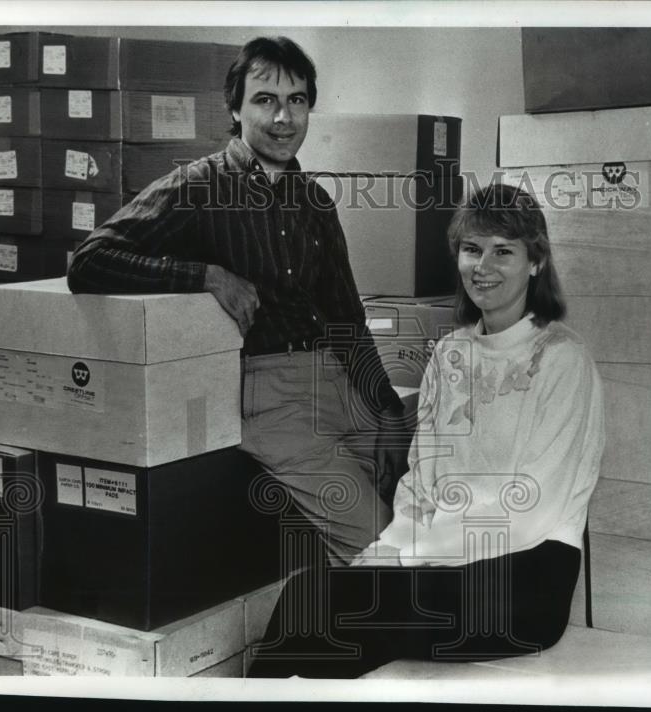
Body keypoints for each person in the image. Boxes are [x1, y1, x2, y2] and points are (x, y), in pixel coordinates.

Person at [67, 36, 407, 565]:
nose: (283, 117)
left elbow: (347, 317)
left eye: (297, 100)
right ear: (234, 107)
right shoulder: (198, 186)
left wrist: (386, 408)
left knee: (424, 514)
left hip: (343, 385)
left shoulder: (314, 201)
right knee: (384, 544)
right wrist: (204, 276)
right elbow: (89, 261)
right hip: (269, 398)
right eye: (265, 99)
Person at [247, 183, 606, 678]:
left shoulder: (563, 358)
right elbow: (419, 484)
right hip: (443, 565)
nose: (483, 267)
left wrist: (413, 557)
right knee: (318, 604)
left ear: (536, 262)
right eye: (471, 249)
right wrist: (383, 556)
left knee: (324, 605)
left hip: (526, 577)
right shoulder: (450, 352)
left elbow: (532, 510)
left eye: (504, 251)